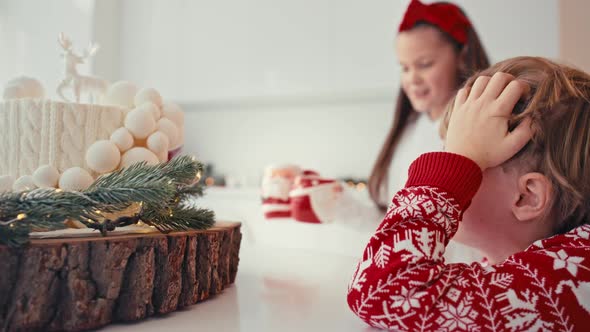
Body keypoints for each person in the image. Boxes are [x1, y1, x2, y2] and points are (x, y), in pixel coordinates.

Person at [347, 56, 590, 330]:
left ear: (527, 197)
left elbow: (381, 292)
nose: (449, 164)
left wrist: (449, 170)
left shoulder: (567, 280)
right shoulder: (546, 272)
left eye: (466, 160)